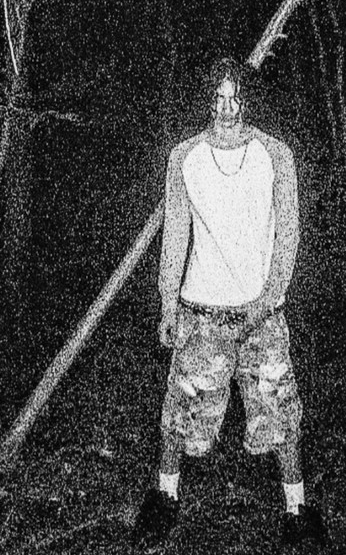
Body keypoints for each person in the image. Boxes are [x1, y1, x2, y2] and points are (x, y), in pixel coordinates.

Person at [132, 57, 327, 550]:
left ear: (249, 100)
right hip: (202, 314)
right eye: (218, 98)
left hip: (262, 316)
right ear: (206, 101)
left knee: (281, 417)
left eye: (236, 98)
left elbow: (289, 234)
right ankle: (165, 498)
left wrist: (269, 297)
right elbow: (176, 233)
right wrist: (168, 303)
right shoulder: (184, 157)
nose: (227, 109)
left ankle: (297, 510)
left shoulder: (276, 155)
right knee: (180, 415)